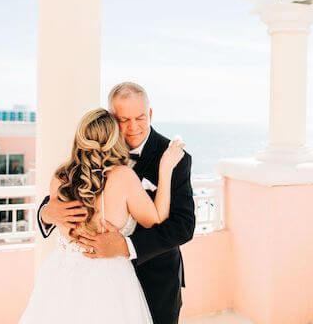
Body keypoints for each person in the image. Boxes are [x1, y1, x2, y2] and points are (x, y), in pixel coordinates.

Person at [36, 82, 195, 324]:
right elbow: (70, 194)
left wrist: (126, 246)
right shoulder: (95, 152)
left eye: (140, 118)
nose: (133, 128)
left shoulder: (173, 158)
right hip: (91, 282)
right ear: (112, 119)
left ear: (150, 114)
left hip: (155, 277)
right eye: (124, 119)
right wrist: (46, 213)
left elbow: (183, 226)